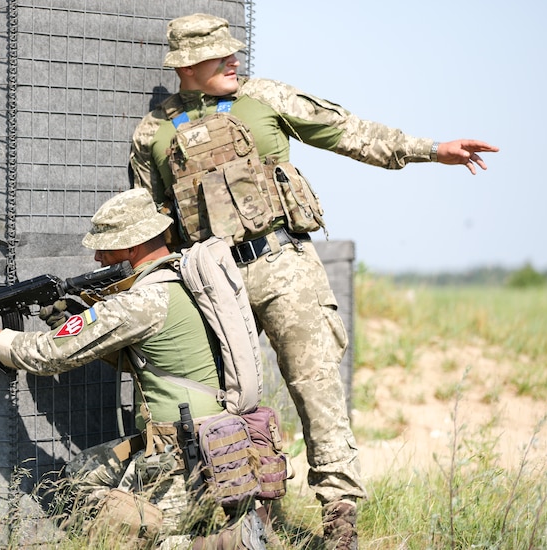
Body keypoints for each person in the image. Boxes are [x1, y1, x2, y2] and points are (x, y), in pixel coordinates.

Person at [128, 13, 499, 550]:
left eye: (234, 51)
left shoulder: (266, 97)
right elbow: (151, 221)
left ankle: (340, 520)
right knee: (222, 402)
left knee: (317, 391)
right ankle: (247, 521)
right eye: (220, 55)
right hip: (213, 282)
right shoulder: (152, 133)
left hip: (284, 269)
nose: (235, 60)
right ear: (188, 65)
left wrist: (431, 150)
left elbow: (347, 131)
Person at [0, 188, 268, 549]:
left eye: (105, 246)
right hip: (206, 439)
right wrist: (76, 320)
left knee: (153, 538)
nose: (97, 257)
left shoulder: (142, 301)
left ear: (131, 247)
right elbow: (155, 358)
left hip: (181, 453)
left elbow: (48, 355)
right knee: (82, 475)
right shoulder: (180, 281)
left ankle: (229, 541)